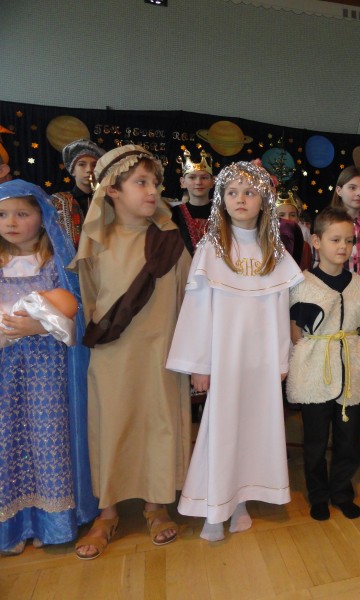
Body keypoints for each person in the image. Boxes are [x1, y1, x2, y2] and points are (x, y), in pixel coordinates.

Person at [167, 162, 302, 541]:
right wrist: (200, 364)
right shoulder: (211, 249)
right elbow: (197, 310)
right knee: (221, 432)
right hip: (224, 358)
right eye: (232, 192)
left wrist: (281, 359)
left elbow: (280, 309)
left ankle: (240, 501)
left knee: (255, 430)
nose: (240, 199)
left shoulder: (274, 252)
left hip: (260, 361)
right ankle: (215, 508)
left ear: (264, 201)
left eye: (249, 192)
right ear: (221, 200)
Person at [70, 145, 192, 559]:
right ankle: (106, 513)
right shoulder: (95, 242)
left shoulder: (171, 243)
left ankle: (156, 505)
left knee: (158, 425)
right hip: (112, 358)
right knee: (112, 427)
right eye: (141, 182)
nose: (152, 191)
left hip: (161, 358)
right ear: (112, 190)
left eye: (155, 183)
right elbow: (89, 303)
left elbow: (190, 300)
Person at [0, 181, 97, 554]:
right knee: (8, 439)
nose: (11, 222)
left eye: (22, 214)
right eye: (3, 215)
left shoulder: (56, 263)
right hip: (5, 369)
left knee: (48, 437)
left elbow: (74, 307)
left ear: (41, 218)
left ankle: (50, 520)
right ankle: (12, 525)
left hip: (46, 369)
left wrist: (37, 325)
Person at [287, 206, 360, 521]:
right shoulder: (303, 284)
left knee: (348, 439)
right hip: (315, 372)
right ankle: (318, 495)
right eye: (335, 239)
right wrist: (314, 352)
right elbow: (296, 331)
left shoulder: (359, 284)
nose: (343, 246)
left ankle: (341, 492)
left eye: (349, 241)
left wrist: (355, 355)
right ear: (316, 241)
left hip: (351, 373)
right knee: (315, 440)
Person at [51, 139, 106, 247]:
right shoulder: (58, 201)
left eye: (94, 165)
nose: (89, 170)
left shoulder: (107, 201)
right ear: (72, 170)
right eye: (82, 164)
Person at [171, 148, 215, 255]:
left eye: (204, 177)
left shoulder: (222, 212)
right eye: (192, 177)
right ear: (183, 182)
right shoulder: (173, 214)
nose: (198, 182)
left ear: (212, 182)